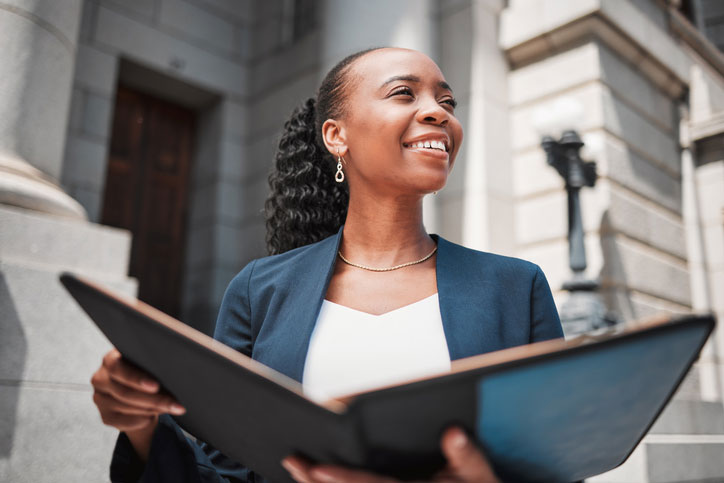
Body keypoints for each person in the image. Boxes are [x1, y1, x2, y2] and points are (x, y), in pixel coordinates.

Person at [90, 47, 563, 483]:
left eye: (448, 101)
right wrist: (142, 424)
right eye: (404, 93)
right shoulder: (260, 290)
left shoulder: (516, 288)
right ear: (336, 135)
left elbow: (557, 461)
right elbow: (227, 473)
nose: (439, 112)